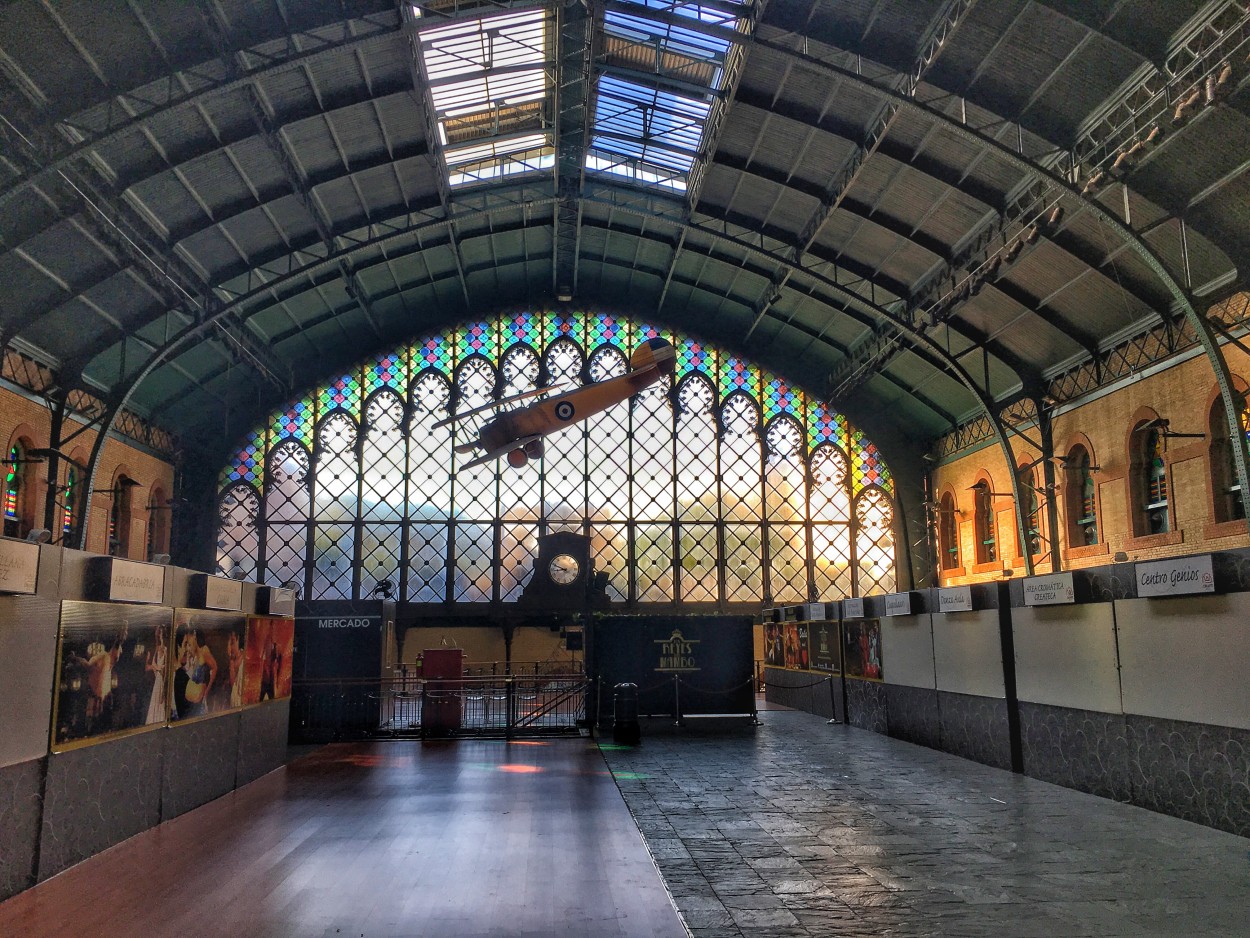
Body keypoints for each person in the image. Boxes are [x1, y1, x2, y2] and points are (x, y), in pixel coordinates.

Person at [178, 627, 217, 718]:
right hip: (190, 703)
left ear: (194, 635)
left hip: (199, 704)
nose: (188, 644)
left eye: (189, 640)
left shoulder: (204, 650)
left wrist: (207, 691)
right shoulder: (195, 653)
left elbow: (214, 668)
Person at [144, 624, 168, 724]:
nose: (160, 635)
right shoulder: (158, 648)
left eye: (162, 633)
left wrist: (161, 669)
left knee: (160, 703)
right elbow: (152, 664)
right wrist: (158, 668)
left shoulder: (166, 649)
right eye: (159, 633)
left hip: (161, 680)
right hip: (157, 679)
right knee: (155, 703)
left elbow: (166, 670)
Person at [224, 628, 245, 708]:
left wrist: (232, 665)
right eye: (227, 644)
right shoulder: (232, 661)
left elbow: (237, 697)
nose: (229, 649)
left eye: (232, 642)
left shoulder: (243, 663)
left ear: (238, 639)